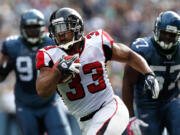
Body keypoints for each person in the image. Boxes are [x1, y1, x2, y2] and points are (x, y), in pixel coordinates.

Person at [35, 7, 159, 135]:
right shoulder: (49, 55)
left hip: (110, 108)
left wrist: (148, 73)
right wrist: (58, 71)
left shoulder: (96, 43)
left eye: (63, 28)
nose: (60, 33)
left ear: (76, 27)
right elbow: (42, 91)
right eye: (56, 29)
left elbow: (129, 55)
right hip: (84, 122)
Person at [0, 9, 71, 135]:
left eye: (35, 28)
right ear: (22, 29)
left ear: (42, 28)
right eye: (29, 28)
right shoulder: (12, 46)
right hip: (25, 105)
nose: (32, 32)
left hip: (49, 103)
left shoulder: (52, 43)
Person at [122, 10, 180, 135]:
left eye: (172, 35)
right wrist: (130, 117)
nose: (168, 38)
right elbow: (128, 83)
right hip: (147, 104)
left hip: (172, 99)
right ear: (157, 30)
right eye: (165, 33)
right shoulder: (142, 49)